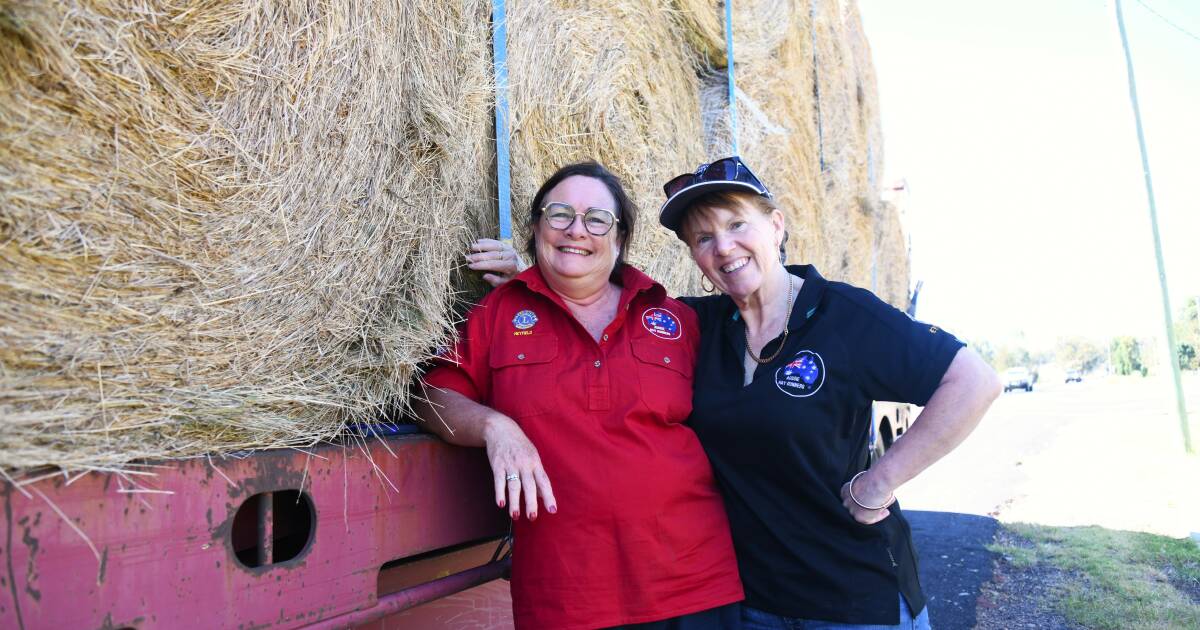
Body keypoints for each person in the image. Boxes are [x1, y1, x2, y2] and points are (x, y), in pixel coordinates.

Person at [473, 156, 1001, 629]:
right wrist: (534, 275)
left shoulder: (843, 316)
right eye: (703, 238)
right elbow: (602, 309)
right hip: (752, 605)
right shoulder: (697, 326)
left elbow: (974, 381)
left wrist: (880, 482)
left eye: (736, 224)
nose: (723, 247)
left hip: (853, 599)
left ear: (776, 225)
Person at [416, 161, 743, 630]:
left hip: (693, 587)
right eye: (559, 214)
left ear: (620, 238)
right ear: (535, 228)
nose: (576, 231)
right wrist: (495, 426)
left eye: (596, 220)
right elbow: (432, 396)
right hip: (565, 598)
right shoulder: (499, 313)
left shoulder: (676, 319)